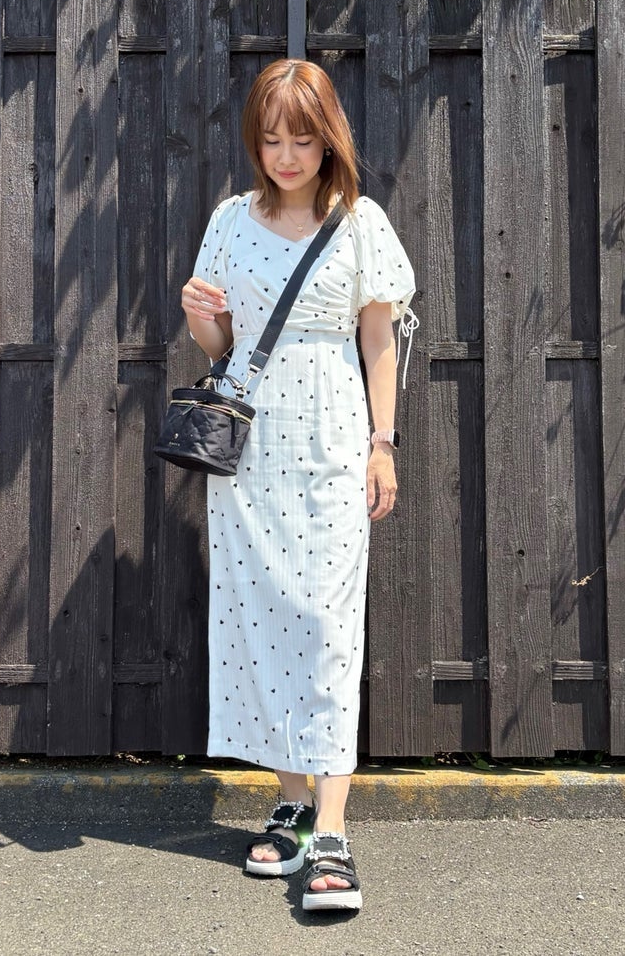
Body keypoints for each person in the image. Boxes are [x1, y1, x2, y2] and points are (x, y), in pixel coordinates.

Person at [180, 59, 416, 913]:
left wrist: (383, 444)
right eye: (272, 138)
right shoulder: (228, 221)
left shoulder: (360, 224)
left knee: (326, 624)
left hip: (332, 439)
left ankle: (333, 830)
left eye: (303, 138)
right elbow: (222, 348)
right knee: (262, 619)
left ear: (330, 139)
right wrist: (202, 322)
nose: (286, 155)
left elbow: (379, 341)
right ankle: (289, 802)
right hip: (252, 449)